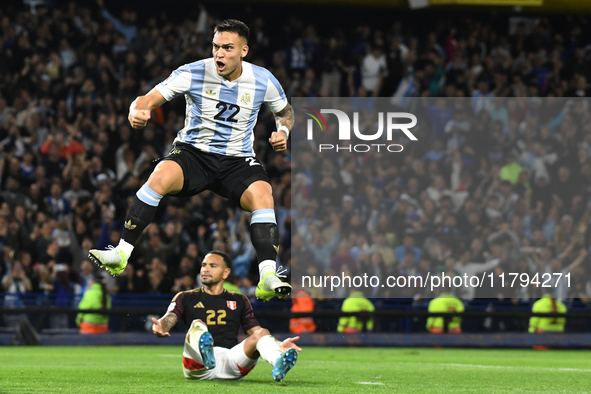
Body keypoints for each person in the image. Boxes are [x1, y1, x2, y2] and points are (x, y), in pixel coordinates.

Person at [89, 19, 294, 301]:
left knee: (263, 193)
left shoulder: (263, 79)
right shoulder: (193, 72)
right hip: (194, 154)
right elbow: (145, 99)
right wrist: (136, 111)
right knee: (160, 175)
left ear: (244, 50)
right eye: (216, 47)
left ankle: (268, 275)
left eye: (227, 48)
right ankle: (121, 253)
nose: (219, 54)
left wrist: (283, 130)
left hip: (237, 160)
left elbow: (285, 112)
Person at [151, 251, 300, 382]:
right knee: (197, 324)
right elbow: (170, 317)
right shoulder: (186, 297)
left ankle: (278, 361)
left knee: (262, 333)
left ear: (225, 273)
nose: (205, 269)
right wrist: (161, 326)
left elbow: (256, 333)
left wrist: (278, 345)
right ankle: (205, 350)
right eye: (203, 265)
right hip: (198, 365)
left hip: (231, 359)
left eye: (212, 266)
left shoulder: (240, 300)